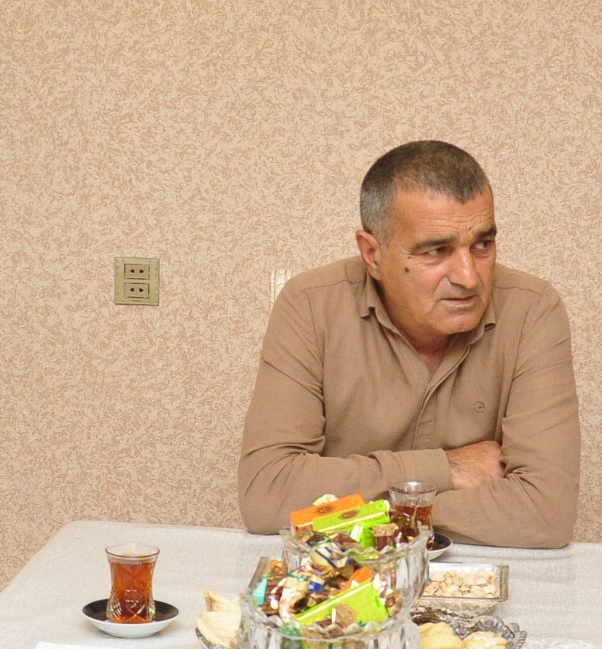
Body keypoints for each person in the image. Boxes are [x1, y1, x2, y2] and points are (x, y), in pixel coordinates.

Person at [238, 140, 579, 548]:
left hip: (479, 575)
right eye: (436, 251)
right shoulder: (310, 304)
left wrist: (355, 510)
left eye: (482, 245)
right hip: (344, 578)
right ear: (372, 254)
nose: (469, 277)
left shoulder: (532, 309)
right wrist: (448, 468)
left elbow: (545, 513)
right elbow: (267, 494)